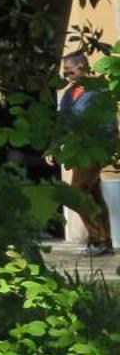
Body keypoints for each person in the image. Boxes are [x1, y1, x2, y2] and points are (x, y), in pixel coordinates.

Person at [57, 50, 114, 255]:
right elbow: (61, 121)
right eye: (65, 73)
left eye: (70, 72)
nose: (67, 77)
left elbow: (109, 124)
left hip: (93, 149)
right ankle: (104, 243)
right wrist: (53, 147)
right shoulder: (69, 93)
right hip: (76, 152)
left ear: (82, 67)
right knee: (94, 194)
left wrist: (106, 150)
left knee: (76, 192)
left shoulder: (99, 90)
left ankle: (99, 238)